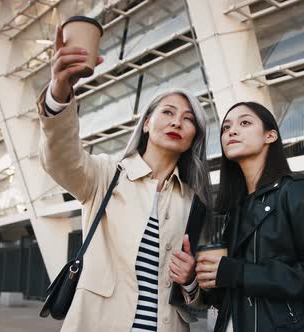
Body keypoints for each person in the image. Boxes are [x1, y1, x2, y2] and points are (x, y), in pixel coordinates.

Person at [37, 24, 211, 331]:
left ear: (193, 136)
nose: (177, 122)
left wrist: (190, 282)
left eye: (188, 119)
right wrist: (59, 93)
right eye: (168, 112)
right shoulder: (107, 174)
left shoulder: (193, 202)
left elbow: (198, 298)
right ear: (146, 124)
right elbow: (61, 160)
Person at [195, 102, 304, 331]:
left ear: (270, 135)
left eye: (244, 123)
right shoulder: (235, 208)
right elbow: (232, 290)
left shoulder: (295, 191)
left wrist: (238, 272)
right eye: (225, 128)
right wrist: (199, 277)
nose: (231, 131)